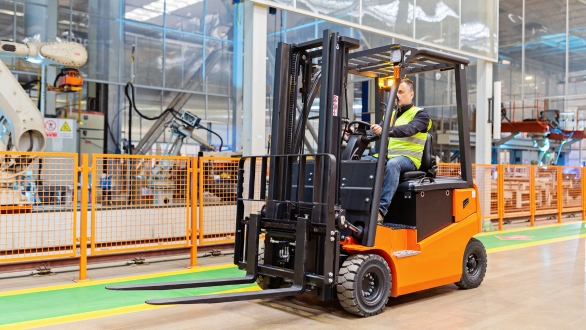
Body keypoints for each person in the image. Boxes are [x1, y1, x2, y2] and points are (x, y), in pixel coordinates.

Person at [367, 78, 431, 221]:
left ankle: (381, 210)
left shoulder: (421, 114)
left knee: (393, 164)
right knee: (365, 162)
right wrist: (357, 133)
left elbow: (409, 129)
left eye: (401, 92)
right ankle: (361, 205)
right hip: (389, 156)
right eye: (396, 92)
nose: (397, 96)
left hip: (409, 159)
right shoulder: (390, 115)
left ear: (411, 94)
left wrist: (384, 130)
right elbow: (377, 132)